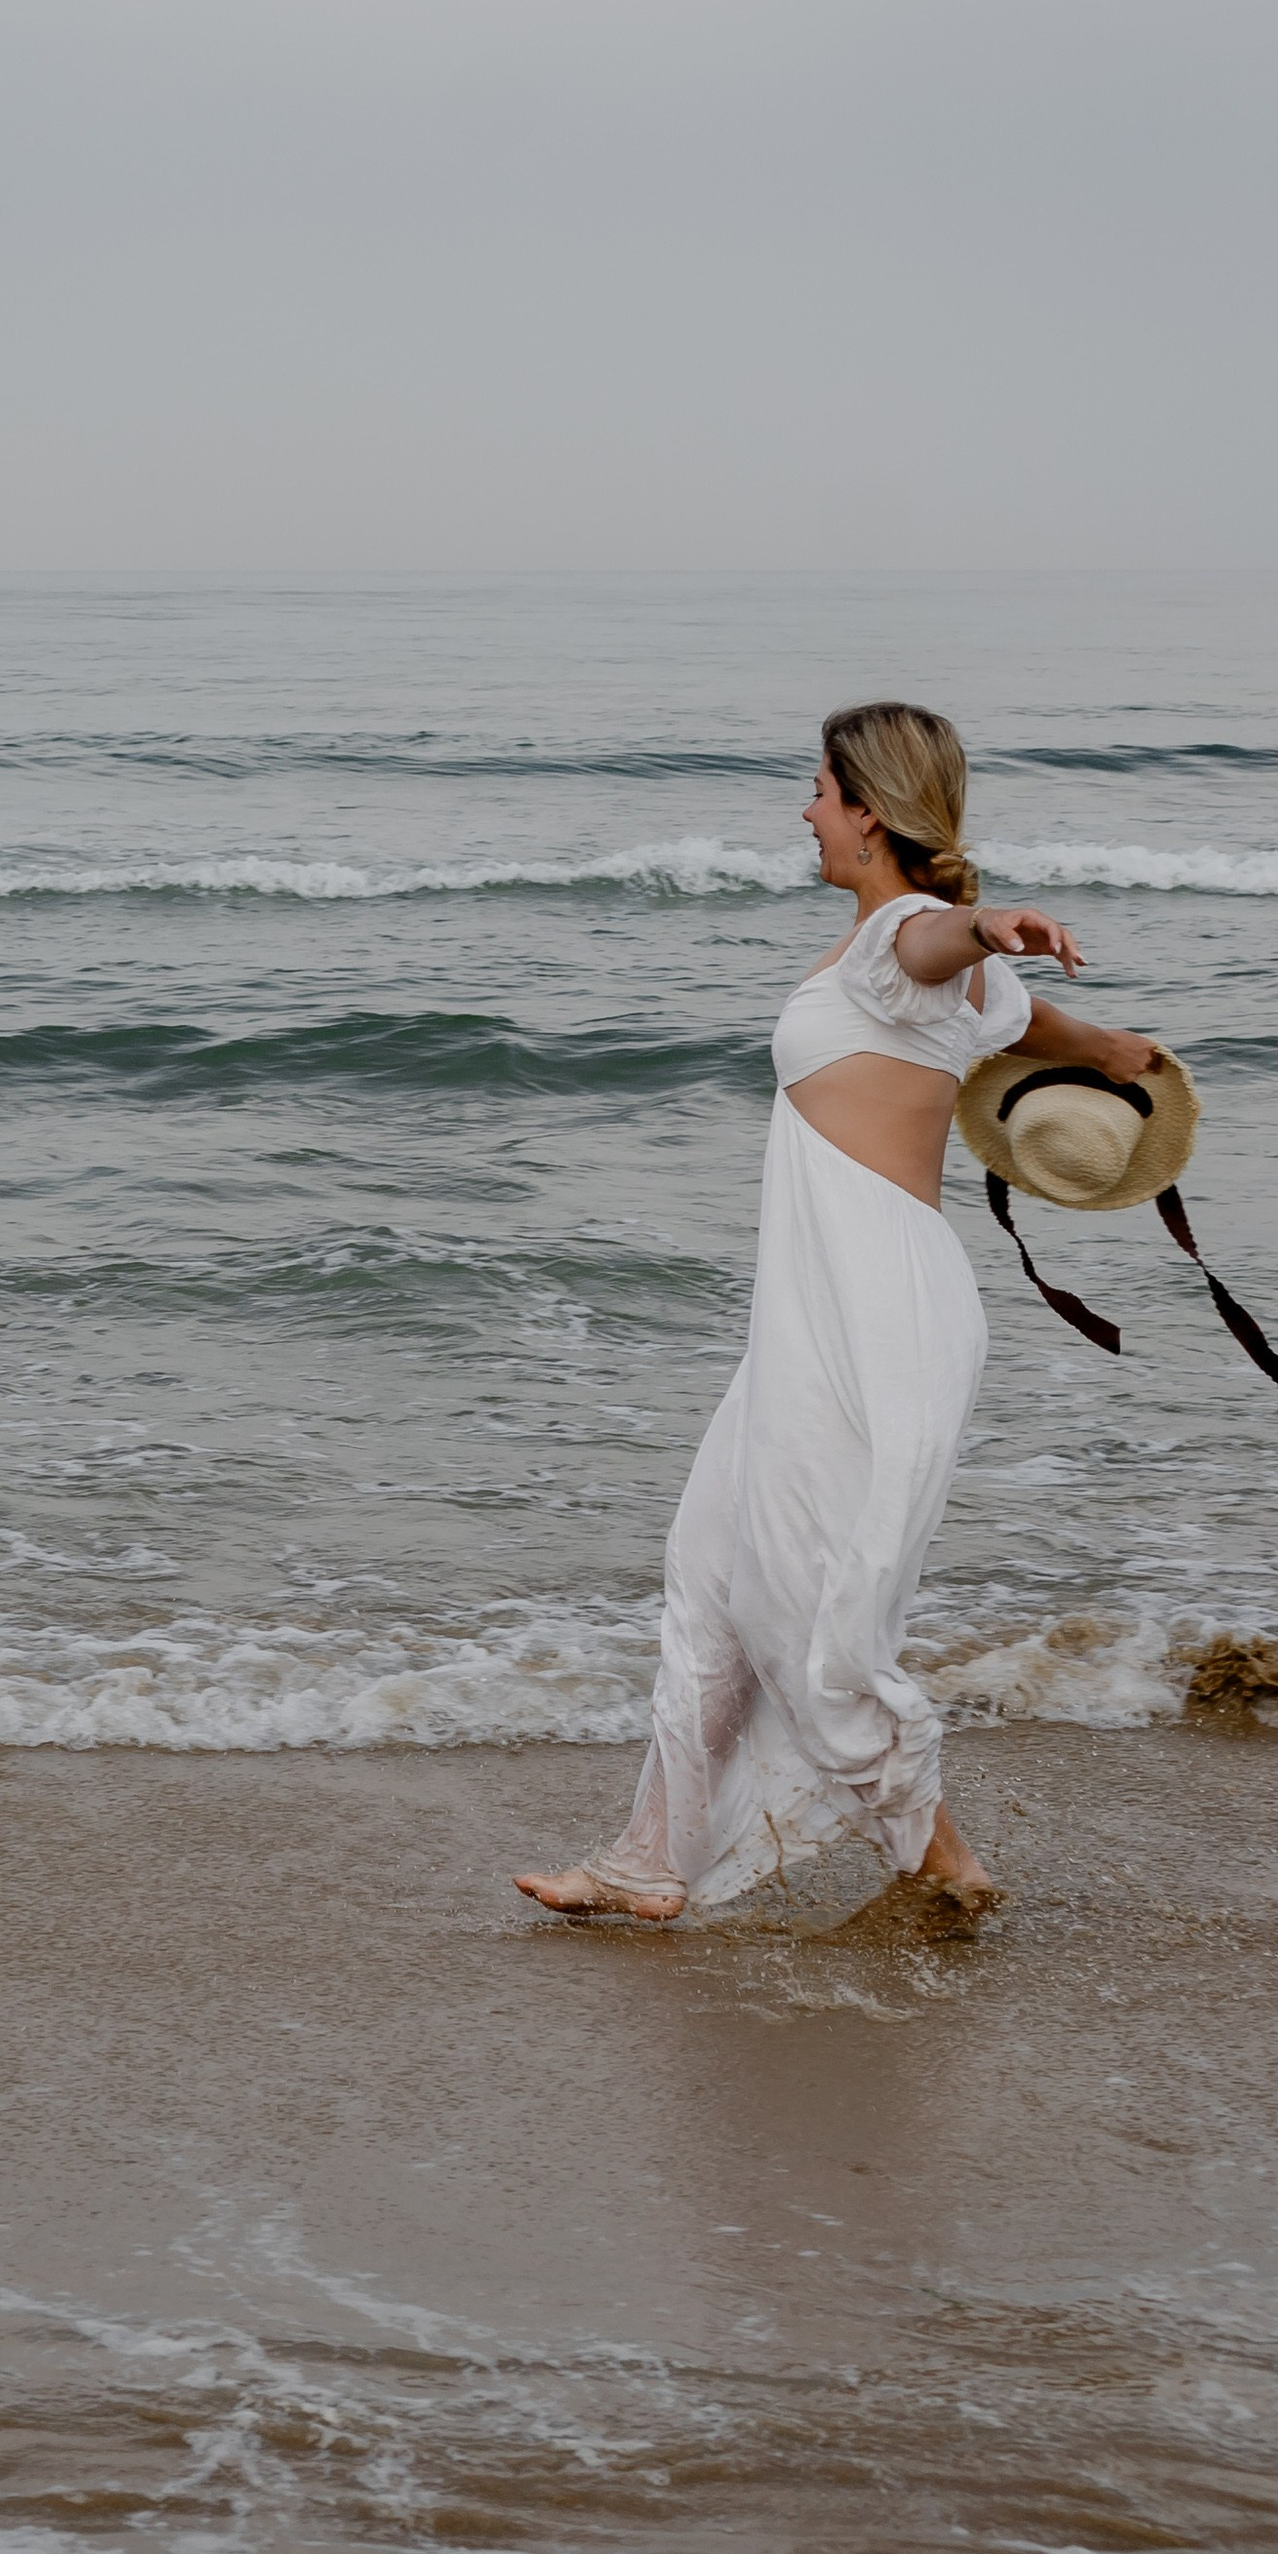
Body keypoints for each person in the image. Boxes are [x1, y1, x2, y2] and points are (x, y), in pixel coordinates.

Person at [515, 700, 1161, 1923]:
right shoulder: (946, 972)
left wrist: (987, 919)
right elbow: (1049, 1028)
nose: (802, 809)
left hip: (869, 1309)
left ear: (868, 809)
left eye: (817, 787)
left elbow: (937, 941)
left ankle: (942, 1857)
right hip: (823, 1312)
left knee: (808, 1607)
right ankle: (651, 1860)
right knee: (706, 1575)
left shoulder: (908, 937)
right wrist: (1120, 1055)